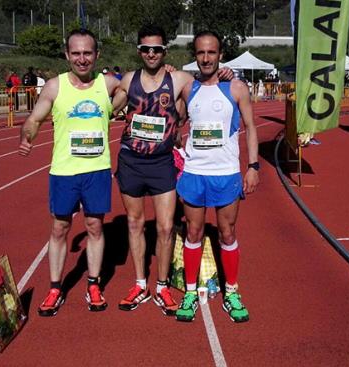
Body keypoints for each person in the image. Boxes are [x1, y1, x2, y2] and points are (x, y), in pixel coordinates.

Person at [112, 24, 233, 316]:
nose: (151, 53)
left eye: (156, 49)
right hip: (131, 160)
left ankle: (162, 286)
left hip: (162, 163)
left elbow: (208, 87)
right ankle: (140, 284)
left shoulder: (179, 79)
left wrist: (226, 74)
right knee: (135, 223)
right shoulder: (129, 80)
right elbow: (108, 108)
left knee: (166, 227)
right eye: (145, 49)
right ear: (139, 51)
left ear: (165, 50)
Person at [18, 29, 123, 317]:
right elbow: (35, 118)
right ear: (67, 55)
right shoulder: (54, 86)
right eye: (76, 53)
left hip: (96, 169)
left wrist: (115, 108)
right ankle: (55, 288)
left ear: (96, 55)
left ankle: (93, 284)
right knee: (59, 229)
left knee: (95, 227)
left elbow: (139, 85)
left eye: (87, 53)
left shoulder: (109, 83)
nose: (81, 58)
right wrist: (27, 135)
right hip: (64, 171)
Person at [174, 30, 259, 323]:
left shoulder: (236, 88)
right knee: (193, 233)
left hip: (226, 174)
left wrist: (254, 166)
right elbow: (176, 121)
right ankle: (189, 291)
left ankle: (231, 291)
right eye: (201, 53)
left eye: (211, 52)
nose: (206, 58)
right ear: (195, 56)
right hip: (196, 172)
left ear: (220, 55)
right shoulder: (188, 88)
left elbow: (250, 127)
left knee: (228, 233)